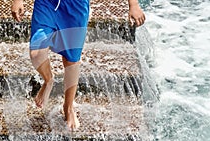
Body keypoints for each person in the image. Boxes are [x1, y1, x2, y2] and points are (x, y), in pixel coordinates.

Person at [11, 0, 145, 131]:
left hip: (76, 7)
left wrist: (133, 4)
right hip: (46, 4)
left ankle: (68, 107)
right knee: (36, 53)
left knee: (71, 60)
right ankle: (48, 80)